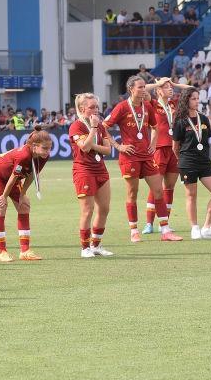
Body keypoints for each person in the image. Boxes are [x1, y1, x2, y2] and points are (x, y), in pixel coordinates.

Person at [102, 76, 170, 243]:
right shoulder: (122, 107)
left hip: (147, 155)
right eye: (140, 87)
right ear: (131, 89)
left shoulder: (147, 106)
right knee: (132, 193)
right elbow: (103, 127)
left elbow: (155, 127)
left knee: (158, 191)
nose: (143, 89)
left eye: (144, 87)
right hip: (130, 156)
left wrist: (153, 142)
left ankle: (165, 230)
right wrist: (118, 147)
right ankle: (134, 230)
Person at [0, 126, 51, 262]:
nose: (47, 152)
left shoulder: (43, 156)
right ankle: (2, 252)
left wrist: (23, 193)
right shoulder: (24, 155)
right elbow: (14, 177)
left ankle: (25, 251)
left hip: (11, 178)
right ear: (34, 146)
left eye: (49, 148)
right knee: (0, 206)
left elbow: (32, 175)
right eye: (44, 148)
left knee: (24, 204)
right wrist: (3, 196)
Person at [172, 88, 211, 239]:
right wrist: (182, 160)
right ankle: (194, 228)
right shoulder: (180, 121)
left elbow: (206, 141)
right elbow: (175, 147)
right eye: (193, 98)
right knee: (191, 195)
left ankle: (207, 227)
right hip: (187, 162)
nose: (196, 101)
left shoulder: (204, 119)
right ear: (186, 100)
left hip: (204, 162)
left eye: (197, 98)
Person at [143, 78, 192, 239]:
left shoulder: (174, 104)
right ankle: (149, 223)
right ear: (158, 90)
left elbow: (191, 89)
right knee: (155, 186)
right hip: (159, 149)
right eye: (166, 87)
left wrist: (175, 84)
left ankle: (164, 223)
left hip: (175, 149)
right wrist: (158, 84)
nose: (170, 89)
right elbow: (143, 90)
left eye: (170, 87)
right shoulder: (152, 104)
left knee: (169, 187)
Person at [69, 93, 115, 258]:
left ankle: (96, 245)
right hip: (84, 170)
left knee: (104, 208)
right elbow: (85, 148)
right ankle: (85, 247)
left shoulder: (100, 125)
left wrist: (94, 140)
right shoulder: (77, 126)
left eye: (97, 106)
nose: (96, 109)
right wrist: (94, 130)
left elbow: (108, 150)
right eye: (92, 107)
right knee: (87, 210)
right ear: (82, 109)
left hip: (100, 169)